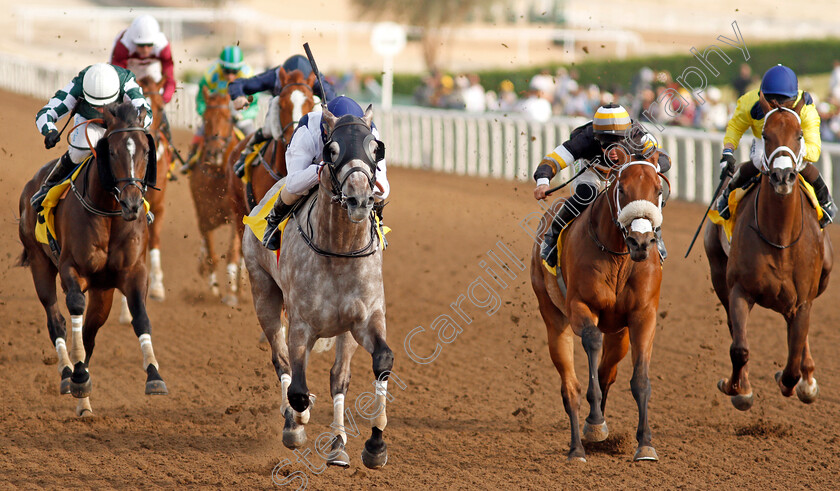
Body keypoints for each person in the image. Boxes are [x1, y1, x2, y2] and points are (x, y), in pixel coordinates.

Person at [533, 103, 668, 268]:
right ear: (596, 137)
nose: (612, 150)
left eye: (618, 142)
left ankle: (658, 235)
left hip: (625, 170)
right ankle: (551, 237)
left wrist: (647, 169)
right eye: (605, 143)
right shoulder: (584, 138)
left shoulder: (639, 136)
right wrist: (542, 182)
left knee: (648, 193)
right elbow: (552, 160)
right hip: (592, 170)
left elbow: (664, 159)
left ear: (627, 136)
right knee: (585, 196)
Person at [261, 96, 390, 250]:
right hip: (314, 164)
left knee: (370, 189)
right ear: (326, 129)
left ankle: (378, 221)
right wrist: (325, 168)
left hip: (346, 171)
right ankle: (274, 220)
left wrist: (362, 175)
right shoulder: (307, 131)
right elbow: (294, 183)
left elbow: (384, 189)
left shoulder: (370, 134)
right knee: (295, 190)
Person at [715, 64, 836, 227]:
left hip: (793, 143)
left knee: (801, 163)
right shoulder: (749, 102)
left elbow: (814, 152)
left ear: (794, 99)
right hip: (766, 140)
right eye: (772, 101)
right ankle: (727, 193)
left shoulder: (806, 108)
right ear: (762, 95)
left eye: (783, 101)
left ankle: (825, 199)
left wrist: (792, 150)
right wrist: (728, 151)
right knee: (758, 160)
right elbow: (735, 127)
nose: (777, 106)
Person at [32, 63, 152, 210]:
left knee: (138, 149)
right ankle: (49, 185)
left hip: (120, 125)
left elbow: (146, 111)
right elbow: (46, 112)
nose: (102, 110)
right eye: (96, 105)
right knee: (79, 151)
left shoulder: (126, 81)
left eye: (106, 105)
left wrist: (136, 123)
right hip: (90, 123)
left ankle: (142, 199)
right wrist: (49, 130)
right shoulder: (78, 86)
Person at [228, 54, 336, 177]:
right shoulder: (274, 76)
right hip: (281, 118)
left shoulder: (317, 80)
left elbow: (333, 101)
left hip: (307, 120)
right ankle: (246, 154)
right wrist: (238, 96)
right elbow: (237, 84)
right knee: (271, 119)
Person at [111, 15, 176, 172]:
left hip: (151, 73)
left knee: (161, 117)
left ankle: (171, 156)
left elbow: (170, 80)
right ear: (134, 42)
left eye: (149, 45)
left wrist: (162, 101)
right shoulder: (123, 46)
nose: (146, 49)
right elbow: (116, 77)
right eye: (141, 45)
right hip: (128, 74)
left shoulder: (163, 46)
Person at [183, 46, 258, 170]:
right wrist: (206, 114)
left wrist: (243, 115)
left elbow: (254, 103)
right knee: (202, 131)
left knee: (251, 135)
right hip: (216, 111)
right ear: (220, 66)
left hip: (238, 110)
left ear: (240, 68)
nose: (230, 75)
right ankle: (190, 159)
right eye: (227, 70)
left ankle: (256, 163)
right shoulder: (210, 74)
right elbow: (201, 99)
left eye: (234, 71)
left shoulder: (248, 76)